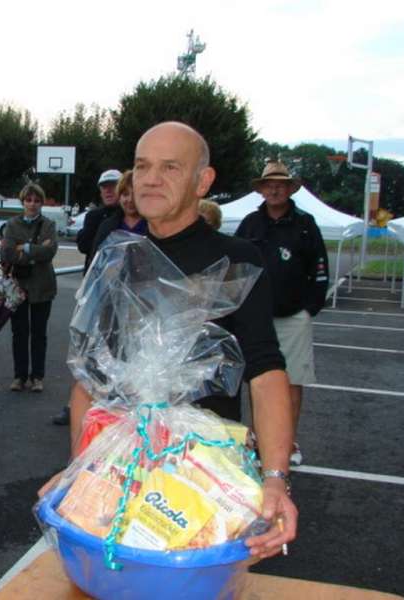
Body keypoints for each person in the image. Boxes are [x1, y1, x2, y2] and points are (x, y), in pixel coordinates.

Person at [52, 122, 297, 560]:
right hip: (120, 466)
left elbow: (265, 370)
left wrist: (275, 478)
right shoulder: (115, 255)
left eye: (170, 167)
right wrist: (79, 470)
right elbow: (89, 377)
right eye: (142, 166)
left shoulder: (236, 259)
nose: (150, 178)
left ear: (203, 182)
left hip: (204, 478)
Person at [235, 161, 329, 466]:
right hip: (256, 318)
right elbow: (234, 267)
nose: (274, 189)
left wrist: (310, 306)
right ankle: (260, 438)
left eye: (280, 184)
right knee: (258, 380)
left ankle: (286, 443)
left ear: (290, 189)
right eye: (269, 184)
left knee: (292, 381)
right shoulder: (250, 223)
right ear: (261, 189)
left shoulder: (305, 223)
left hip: (293, 316)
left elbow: (320, 266)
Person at [52, 170, 146, 426]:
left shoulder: (152, 226)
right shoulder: (106, 223)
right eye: (123, 194)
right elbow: (93, 260)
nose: (127, 199)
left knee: (133, 359)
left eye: (131, 193)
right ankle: (81, 405)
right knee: (92, 355)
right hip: (105, 303)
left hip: (139, 306)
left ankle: (127, 410)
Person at [0, 183, 58, 393]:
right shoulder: (12, 225)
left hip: (43, 287)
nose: (32, 204)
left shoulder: (48, 224)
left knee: (39, 333)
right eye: (28, 200)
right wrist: (36, 252)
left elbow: (50, 252)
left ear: (41, 203)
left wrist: (24, 248)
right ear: (22, 201)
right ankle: (19, 375)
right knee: (19, 332)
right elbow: (6, 253)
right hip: (19, 287)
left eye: (36, 200)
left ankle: (37, 376)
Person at [76, 169, 122, 272]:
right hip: (96, 277)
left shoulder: (131, 216)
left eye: (113, 185)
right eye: (104, 186)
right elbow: (84, 246)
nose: (108, 190)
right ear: (100, 192)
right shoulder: (93, 216)